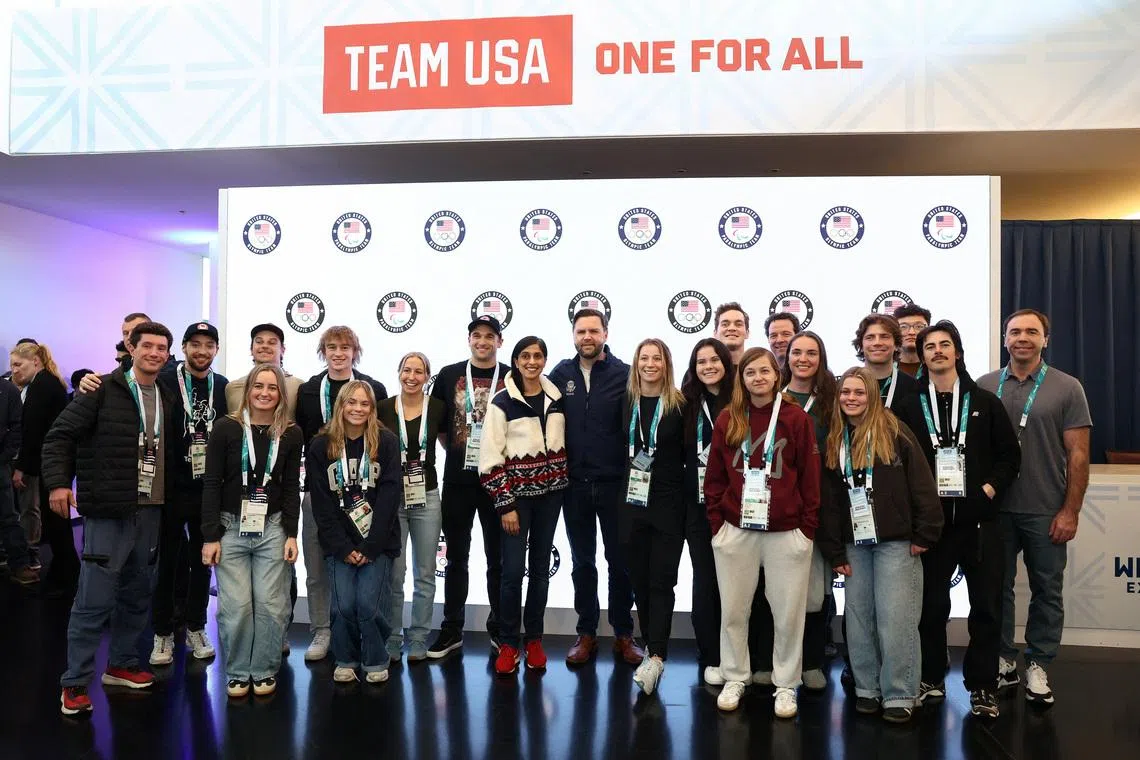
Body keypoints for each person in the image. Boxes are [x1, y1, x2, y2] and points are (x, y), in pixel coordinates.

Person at [42, 321, 178, 716]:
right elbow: (59, 436)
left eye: (161, 348)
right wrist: (58, 483)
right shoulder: (100, 389)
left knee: (137, 593)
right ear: (130, 349)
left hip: (151, 509)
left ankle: (121, 664)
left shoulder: (167, 395)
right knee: (93, 600)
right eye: (147, 346)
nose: (154, 353)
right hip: (108, 510)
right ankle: (74, 682)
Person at [977, 309, 1091, 706]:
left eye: (1031, 331)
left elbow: (1079, 454)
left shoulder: (1067, 387)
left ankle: (1039, 663)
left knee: (1047, 590)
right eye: (1014, 332)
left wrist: (1070, 511)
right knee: (996, 589)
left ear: (1046, 339)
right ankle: (1004, 659)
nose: (1022, 337)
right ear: (1004, 339)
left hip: (1046, 508)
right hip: (995, 510)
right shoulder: (985, 385)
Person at [818, 367, 942, 723]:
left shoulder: (895, 431)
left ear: (872, 396)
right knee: (859, 619)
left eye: (859, 392)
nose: (851, 398)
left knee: (896, 619)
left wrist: (926, 532)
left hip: (896, 543)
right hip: (853, 543)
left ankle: (900, 692)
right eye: (845, 392)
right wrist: (834, 550)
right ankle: (867, 688)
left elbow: (921, 482)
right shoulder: (835, 438)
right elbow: (830, 502)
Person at [704, 347, 820, 717]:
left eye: (764, 371)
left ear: (776, 375)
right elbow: (714, 477)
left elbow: (810, 479)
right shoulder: (729, 417)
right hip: (737, 529)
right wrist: (718, 526)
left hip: (787, 531)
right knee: (734, 611)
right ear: (742, 379)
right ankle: (735, 675)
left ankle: (786, 684)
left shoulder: (795, 418)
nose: (758, 378)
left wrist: (806, 530)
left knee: (787, 615)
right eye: (750, 372)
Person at [913, 321, 1020, 719]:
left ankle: (982, 686)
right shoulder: (909, 405)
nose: (938, 351)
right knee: (931, 607)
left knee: (986, 609)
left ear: (957, 352)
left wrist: (988, 490)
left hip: (981, 525)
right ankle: (931, 678)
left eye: (945, 344)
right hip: (932, 527)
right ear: (922, 357)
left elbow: (1010, 456)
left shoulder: (985, 402)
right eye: (930, 346)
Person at [201, 363, 303, 699]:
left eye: (272, 388)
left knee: (272, 605)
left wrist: (292, 533)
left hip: (273, 528)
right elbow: (211, 483)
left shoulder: (291, 433)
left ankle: (263, 669)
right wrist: (210, 535)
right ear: (247, 391)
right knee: (236, 607)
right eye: (258, 386)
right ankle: (237, 671)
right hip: (230, 528)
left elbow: (291, 486)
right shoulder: (225, 428)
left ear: (281, 394)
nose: (264, 393)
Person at [549, 309, 643, 666]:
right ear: (573, 335)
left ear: (605, 333)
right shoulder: (560, 374)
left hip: (615, 485)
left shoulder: (626, 374)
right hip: (574, 485)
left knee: (620, 563)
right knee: (582, 563)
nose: (587, 337)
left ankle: (623, 634)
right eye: (581, 331)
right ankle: (586, 632)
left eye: (593, 331)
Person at [295, 326, 388, 662]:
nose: (338, 353)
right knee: (317, 567)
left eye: (345, 347)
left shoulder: (373, 389)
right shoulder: (308, 391)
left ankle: (362, 631)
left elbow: (380, 439)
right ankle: (322, 630)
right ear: (323, 351)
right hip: (320, 492)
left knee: (363, 567)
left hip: (364, 497)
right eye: (331, 347)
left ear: (355, 352)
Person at [480, 336, 568, 675]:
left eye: (538, 356)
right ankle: (507, 642)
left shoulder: (556, 398)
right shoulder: (502, 402)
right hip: (516, 502)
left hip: (551, 498)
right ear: (516, 360)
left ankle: (533, 639)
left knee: (540, 572)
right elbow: (489, 460)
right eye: (525, 356)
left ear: (545, 360)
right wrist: (505, 505)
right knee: (512, 573)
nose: (532, 361)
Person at [426, 315, 511, 658]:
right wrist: (462, 451)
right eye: (477, 335)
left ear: (499, 342)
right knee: (456, 558)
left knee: (498, 559)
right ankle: (452, 628)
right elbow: (440, 428)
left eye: (490, 336)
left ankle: (499, 626)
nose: (483, 341)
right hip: (458, 481)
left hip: (498, 481)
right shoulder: (449, 375)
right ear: (469, 339)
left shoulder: (510, 377)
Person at [307, 380, 401, 684]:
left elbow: (389, 498)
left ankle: (375, 658)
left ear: (372, 408)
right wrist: (344, 547)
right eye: (352, 402)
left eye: (364, 403)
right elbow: (322, 504)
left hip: (378, 542)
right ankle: (346, 658)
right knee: (344, 605)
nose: (357, 409)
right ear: (341, 405)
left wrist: (371, 546)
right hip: (339, 544)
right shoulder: (321, 446)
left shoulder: (386, 442)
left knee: (369, 606)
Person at [152, 323, 229, 665]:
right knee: (167, 562)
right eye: (195, 344)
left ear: (216, 350)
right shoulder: (165, 380)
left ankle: (196, 626)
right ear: (183, 348)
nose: (202, 351)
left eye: (208, 345)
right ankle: (163, 633)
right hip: (170, 487)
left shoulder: (223, 386)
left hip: (208, 490)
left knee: (203, 562)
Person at [621, 338, 687, 696]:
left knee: (662, 581)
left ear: (666, 364)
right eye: (643, 358)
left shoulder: (679, 405)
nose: (649, 364)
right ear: (636, 363)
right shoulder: (625, 402)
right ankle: (650, 647)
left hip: (668, 505)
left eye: (656, 358)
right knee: (641, 582)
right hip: (631, 504)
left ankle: (658, 655)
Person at [775, 331, 838, 690]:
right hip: (779, 506)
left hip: (819, 505)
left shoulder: (832, 400)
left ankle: (812, 661)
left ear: (820, 358)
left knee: (815, 591)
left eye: (811, 353)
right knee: (776, 591)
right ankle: (777, 662)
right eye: (796, 352)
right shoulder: (774, 396)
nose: (803, 359)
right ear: (787, 358)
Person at [377, 353, 446, 664]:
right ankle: (392, 637)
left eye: (419, 371)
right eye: (407, 370)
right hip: (392, 498)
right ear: (399, 372)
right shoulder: (383, 408)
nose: (412, 376)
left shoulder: (439, 408)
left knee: (425, 573)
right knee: (395, 573)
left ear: (427, 376)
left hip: (427, 496)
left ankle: (418, 637)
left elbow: (446, 442)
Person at [679, 338, 735, 669]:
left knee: (738, 581)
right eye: (701, 362)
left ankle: (737, 654)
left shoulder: (741, 401)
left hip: (737, 505)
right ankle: (711, 653)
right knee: (704, 577)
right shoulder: (685, 403)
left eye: (715, 360)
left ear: (726, 363)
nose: (709, 366)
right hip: (697, 506)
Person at [9, 341, 69, 575]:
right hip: (50, 460)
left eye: (18, 364)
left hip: (47, 462)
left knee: (49, 517)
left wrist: (22, 467)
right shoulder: (48, 382)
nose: (14, 370)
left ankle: (59, 568)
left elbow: (33, 431)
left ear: (35, 361)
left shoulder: (41, 386)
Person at [852, 313, 923, 435]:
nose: (877, 343)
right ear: (861, 345)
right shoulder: (847, 387)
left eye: (884, 336)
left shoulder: (913, 388)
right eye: (870, 337)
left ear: (896, 345)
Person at [224, 324, 304, 420]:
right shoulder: (233, 388)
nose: (265, 346)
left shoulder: (298, 387)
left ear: (283, 350)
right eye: (259, 342)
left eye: (272, 343)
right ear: (251, 349)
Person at [0, 376, 36, 585]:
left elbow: (16, 428)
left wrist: (5, 457)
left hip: (0, 464)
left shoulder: (8, 390)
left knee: (8, 516)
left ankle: (20, 563)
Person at [894, 304, 932, 377]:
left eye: (919, 326)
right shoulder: (883, 368)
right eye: (903, 327)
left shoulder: (940, 366)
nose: (911, 332)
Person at [713, 303, 751, 367]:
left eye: (738, 324)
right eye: (725, 324)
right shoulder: (706, 370)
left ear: (747, 333)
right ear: (715, 333)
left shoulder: (757, 368)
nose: (732, 328)